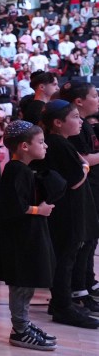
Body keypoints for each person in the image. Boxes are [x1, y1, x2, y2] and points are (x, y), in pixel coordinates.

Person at [0, 120, 58, 350]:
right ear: (24, 146)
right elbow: (14, 206)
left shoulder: (23, 169)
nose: (45, 146)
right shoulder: (16, 170)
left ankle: (24, 324)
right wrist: (41, 210)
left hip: (25, 235)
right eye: (40, 142)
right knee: (20, 283)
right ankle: (20, 330)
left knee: (27, 282)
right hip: (18, 239)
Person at [37, 100, 99, 330]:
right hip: (66, 211)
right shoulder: (58, 144)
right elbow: (75, 179)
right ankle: (63, 307)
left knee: (67, 257)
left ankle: (60, 303)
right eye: (74, 117)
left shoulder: (60, 142)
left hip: (68, 209)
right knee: (65, 258)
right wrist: (84, 167)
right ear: (58, 122)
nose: (80, 121)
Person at [58, 82, 99, 314]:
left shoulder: (86, 125)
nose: (98, 99)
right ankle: (77, 290)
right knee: (82, 241)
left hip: (92, 187)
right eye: (94, 95)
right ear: (79, 101)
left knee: (91, 239)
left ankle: (86, 283)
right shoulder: (76, 129)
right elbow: (83, 159)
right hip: (85, 189)